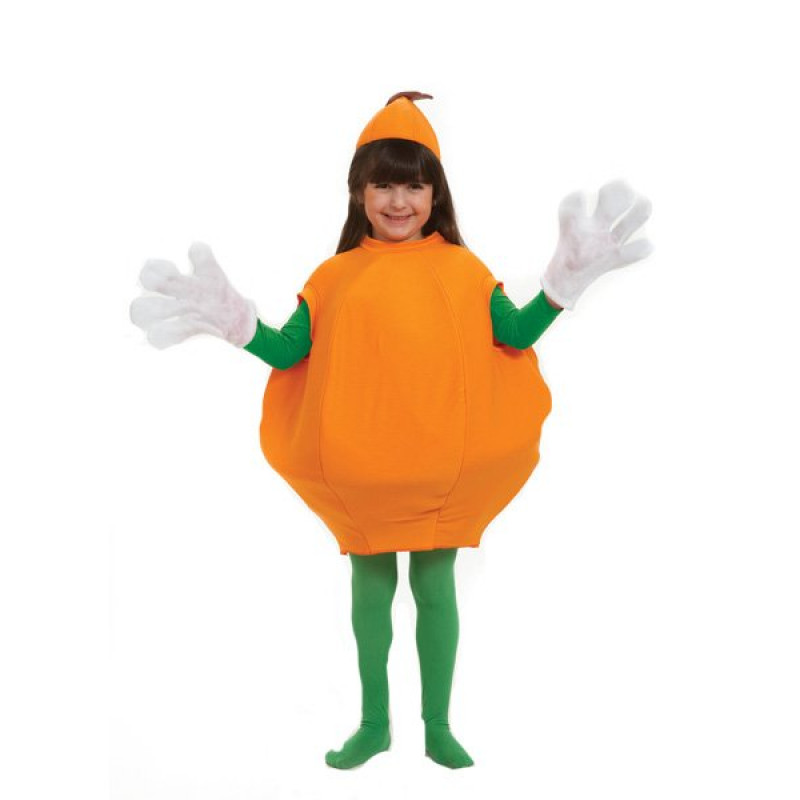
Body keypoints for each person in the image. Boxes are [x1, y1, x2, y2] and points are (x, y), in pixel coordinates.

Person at [130, 91, 653, 770]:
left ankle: (437, 725)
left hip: (439, 481)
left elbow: (514, 333)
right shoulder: (335, 276)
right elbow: (290, 351)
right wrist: (240, 324)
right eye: (383, 184)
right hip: (364, 480)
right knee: (371, 595)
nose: (398, 201)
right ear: (358, 192)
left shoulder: (463, 270)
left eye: (414, 186)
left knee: (436, 590)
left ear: (436, 195)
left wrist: (559, 289)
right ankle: (374, 724)